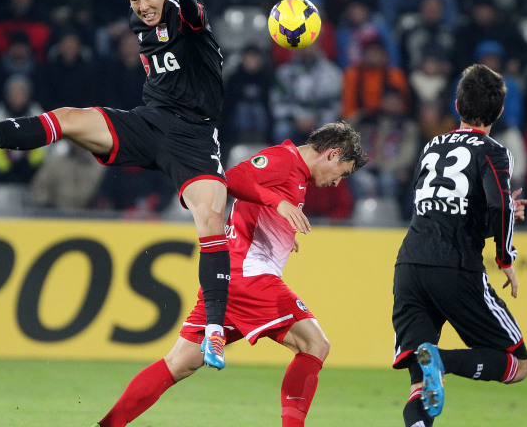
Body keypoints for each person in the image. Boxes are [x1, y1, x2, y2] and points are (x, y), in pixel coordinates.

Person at [0, 0, 231, 369]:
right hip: (148, 123)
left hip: (195, 139)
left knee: (210, 220)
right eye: (135, 0)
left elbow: (193, 18)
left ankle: (215, 331)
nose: (143, 7)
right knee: (70, 118)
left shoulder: (188, 13)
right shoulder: (137, 22)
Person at [91, 122, 368, 427]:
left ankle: (106, 425)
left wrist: (282, 232)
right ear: (332, 154)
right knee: (314, 345)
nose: (337, 183)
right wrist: (279, 203)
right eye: (342, 173)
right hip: (250, 278)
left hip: (231, 277)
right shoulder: (285, 159)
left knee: (179, 363)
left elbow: (256, 203)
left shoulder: (297, 173)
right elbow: (231, 179)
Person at [392, 64, 527, 426]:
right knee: (517, 363)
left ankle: (430, 365)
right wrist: (505, 257)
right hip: (455, 266)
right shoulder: (494, 151)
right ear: (499, 111)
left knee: (419, 385)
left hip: (410, 264)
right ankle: (443, 361)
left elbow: (444, 210)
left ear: (456, 104)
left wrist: (497, 215)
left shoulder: (431, 145)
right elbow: (498, 204)